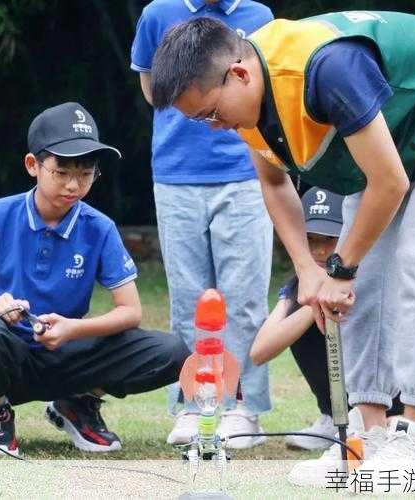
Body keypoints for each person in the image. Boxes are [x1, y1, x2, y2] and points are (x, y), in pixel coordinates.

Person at [149, 11, 415, 490]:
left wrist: (341, 268)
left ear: (240, 75)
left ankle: (414, 436)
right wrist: (309, 270)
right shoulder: (246, 100)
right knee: (365, 283)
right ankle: (367, 441)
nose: (212, 127)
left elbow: (389, 182)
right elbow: (273, 181)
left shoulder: (328, 69)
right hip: (387, 147)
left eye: (209, 114)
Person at [0, 102, 189, 456]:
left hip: (68, 352)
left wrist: (72, 329)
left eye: (86, 172)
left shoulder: (100, 228)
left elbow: (130, 312)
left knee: (174, 353)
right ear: (33, 165)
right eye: (61, 172)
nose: (74, 184)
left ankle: (77, 404)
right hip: (7, 355)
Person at [130, 0, 274, 449]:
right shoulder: (158, 13)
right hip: (175, 174)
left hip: (248, 173)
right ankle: (195, 405)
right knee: (188, 297)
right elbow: (154, 91)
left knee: (245, 296)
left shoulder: (259, 16)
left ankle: (245, 409)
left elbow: (266, 94)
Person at [250, 187, 405, 451]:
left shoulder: (379, 276)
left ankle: (388, 421)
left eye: (329, 239)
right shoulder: (301, 285)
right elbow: (258, 352)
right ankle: (333, 418)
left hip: (390, 400)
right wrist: (315, 306)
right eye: (310, 240)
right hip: (336, 399)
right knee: (298, 316)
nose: (320, 251)